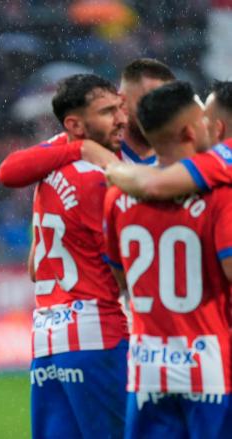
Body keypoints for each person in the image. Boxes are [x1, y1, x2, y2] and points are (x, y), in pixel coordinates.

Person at [104, 81, 232, 438]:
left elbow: (118, 280)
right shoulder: (220, 196)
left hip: (147, 367)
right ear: (191, 131)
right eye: (206, 122)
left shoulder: (117, 197)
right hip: (209, 364)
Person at [20, 74, 129, 439]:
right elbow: (121, 266)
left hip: (48, 336)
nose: (121, 119)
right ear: (76, 124)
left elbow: (35, 266)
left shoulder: (48, 166)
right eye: (108, 111)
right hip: (97, 334)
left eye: (120, 108)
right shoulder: (99, 179)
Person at [0, 58, 175, 188]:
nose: (160, 111)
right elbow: (9, 172)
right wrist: (81, 149)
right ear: (124, 103)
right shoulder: (95, 139)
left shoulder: (185, 150)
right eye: (150, 102)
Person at [106, 80, 232, 198]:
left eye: (204, 117)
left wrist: (113, 168)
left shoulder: (225, 158)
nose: (202, 124)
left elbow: (152, 184)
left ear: (218, 129)